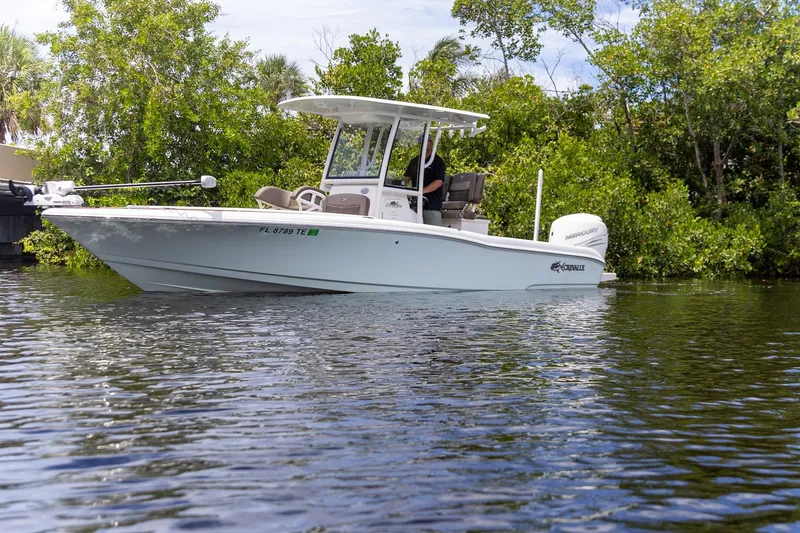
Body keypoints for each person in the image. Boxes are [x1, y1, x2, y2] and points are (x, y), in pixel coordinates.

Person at [404, 138, 445, 226]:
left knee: (433, 232)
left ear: (431, 143)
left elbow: (438, 182)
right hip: (414, 205)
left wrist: (421, 192)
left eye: (426, 141)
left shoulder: (438, 161)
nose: (423, 144)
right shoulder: (415, 161)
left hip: (431, 206)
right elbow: (406, 179)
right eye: (421, 142)